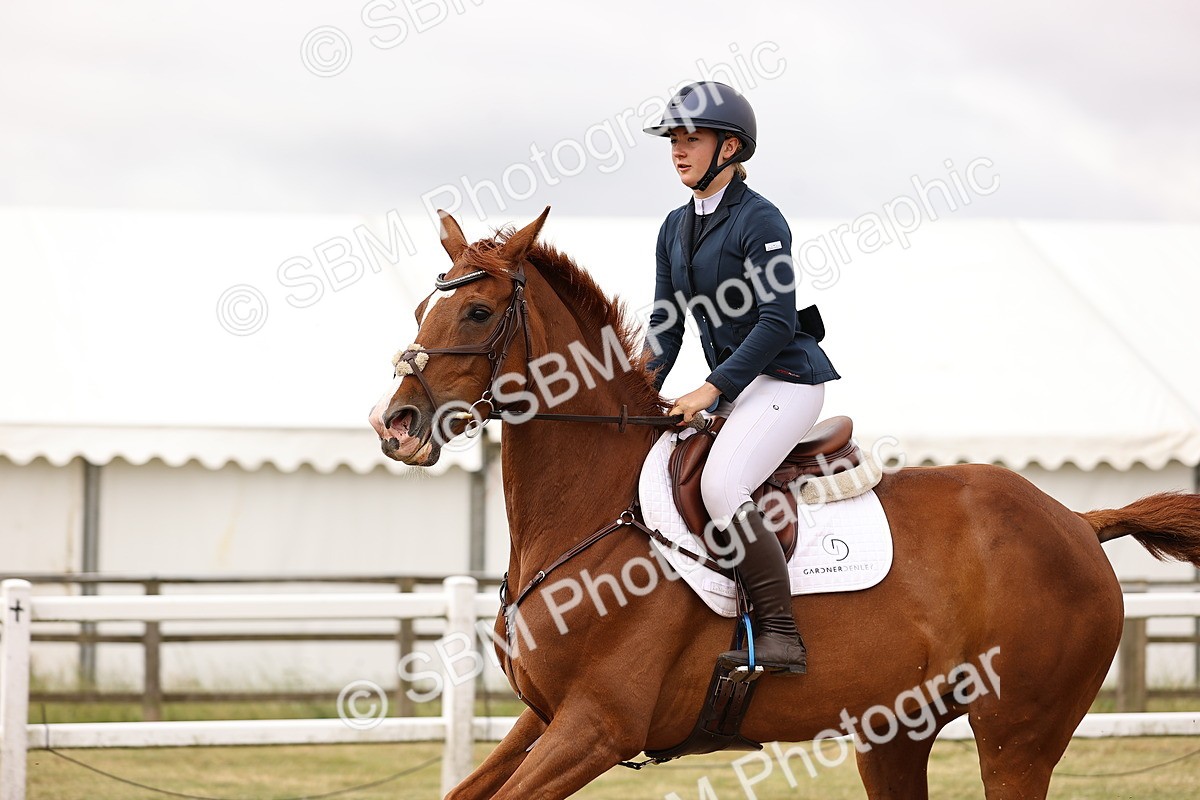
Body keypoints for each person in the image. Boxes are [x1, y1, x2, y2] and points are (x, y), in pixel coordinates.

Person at [642, 81, 840, 674]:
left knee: (723, 486)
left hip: (786, 380)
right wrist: (638, 390)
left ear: (729, 148)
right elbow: (665, 323)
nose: (678, 150)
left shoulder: (761, 220)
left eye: (691, 140)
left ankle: (781, 634)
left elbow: (778, 322)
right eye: (674, 140)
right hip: (738, 383)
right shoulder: (674, 226)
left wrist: (709, 389)